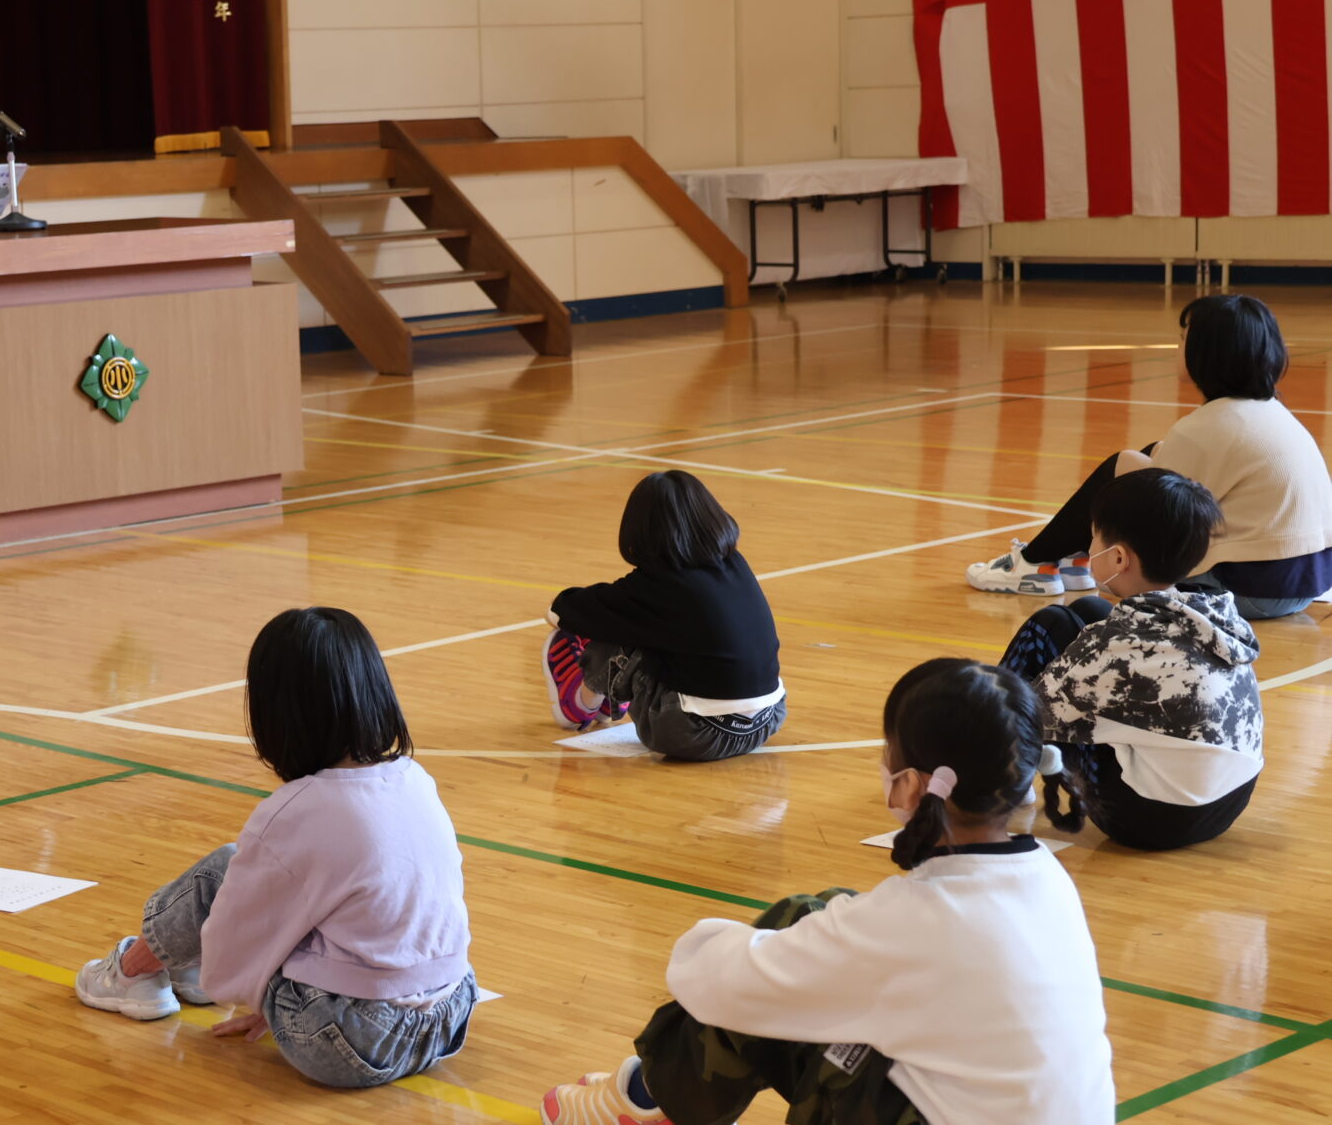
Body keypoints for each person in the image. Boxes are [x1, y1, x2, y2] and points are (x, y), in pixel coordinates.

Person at [539, 659, 1115, 1125]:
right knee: (820, 925)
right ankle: (650, 1096)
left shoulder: (915, 920)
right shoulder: (1046, 880)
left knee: (784, 944)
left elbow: (716, 984)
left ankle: (646, 1098)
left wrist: (712, 942)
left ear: (912, 784)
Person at [72, 606, 477, 1089]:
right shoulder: (416, 780)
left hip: (348, 1040)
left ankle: (134, 972)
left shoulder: (296, 809)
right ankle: (173, 966)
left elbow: (230, 944)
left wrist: (274, 995)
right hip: (450, 1017)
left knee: (223, 871)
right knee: (317, 897)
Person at [966, 294, 1332, 618]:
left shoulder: (1208, 426)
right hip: (1303, 583)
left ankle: (1035, 565)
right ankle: (1070, 560)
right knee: (1142, 458)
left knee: (1125, 475)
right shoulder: (1272, 413)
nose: (1178, 348)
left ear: (1206, 353)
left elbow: (1162, 522)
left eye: (1182, 339)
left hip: (1250, 591)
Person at [998, 469, 1263, 851]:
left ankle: (992, 782)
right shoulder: (1217, 614)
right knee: (1089, 608)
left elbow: (1032, 715)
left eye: (1094, 538)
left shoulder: (1118, 645)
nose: (1089, 548)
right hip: (1226, 804)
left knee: (1046, 626)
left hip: (1147, 820)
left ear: (1118, 557)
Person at [541, 470, 784, 762]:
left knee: (616, 626)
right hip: (767, 721)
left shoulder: (655, 586)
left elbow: (560, 610)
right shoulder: (735, 564)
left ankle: (580, 703)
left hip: (693, 734)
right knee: (646, 626)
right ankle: (607, 698)